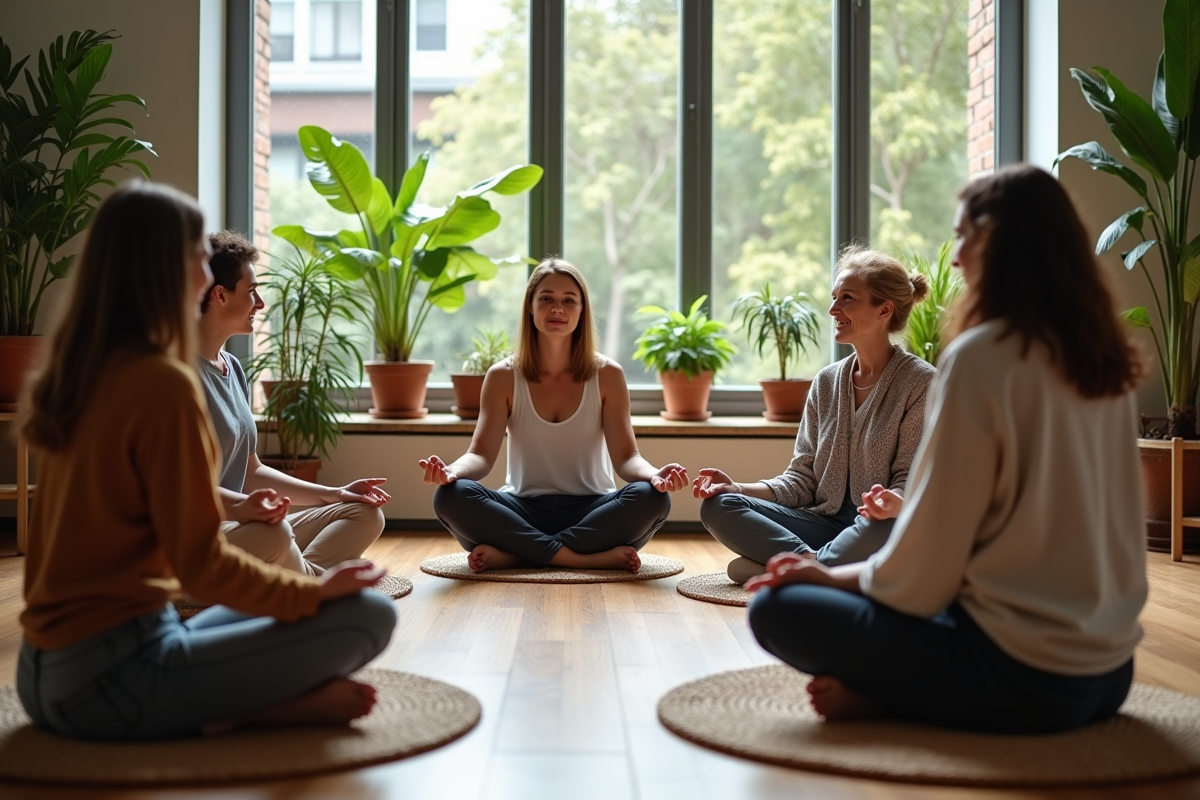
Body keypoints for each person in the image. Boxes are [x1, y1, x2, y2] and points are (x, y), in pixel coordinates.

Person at [745, 164, 1148, 735]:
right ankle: (904, 691)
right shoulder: (1103, 356)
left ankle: (895, 697)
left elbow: (926, 564)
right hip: (1110, 673)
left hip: (1027, 678)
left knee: (776, 608)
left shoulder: (983, 355)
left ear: (999, 241)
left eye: (963, 236)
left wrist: (826, 578)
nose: (955, 258)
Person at [16, 181, 397, 741]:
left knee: (274, 599)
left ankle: (231, 698)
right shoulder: (164, 381)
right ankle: (249, 712)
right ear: (166, 269)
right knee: (371, 615)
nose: (205, 274)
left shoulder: (81, 372)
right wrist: (313, 594)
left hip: (40, 675)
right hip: (110, 684)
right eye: (198, 257)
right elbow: (200, 564)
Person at [419, 258, 688, 573]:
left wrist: (655, 476)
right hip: (521, 508)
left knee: (653, 498)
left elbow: (627, 459)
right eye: (546, 298)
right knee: (451, 496)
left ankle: (519, 555)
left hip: (593, 510)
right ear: (530, 308)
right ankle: (576, 557)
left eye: (568, 301)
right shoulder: (503, 376)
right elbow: (480, 456)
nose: (557, 308)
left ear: (581, 312)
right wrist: (451, 472)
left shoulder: (607, 374)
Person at [693, 247, 935, 584]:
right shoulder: (825, 382)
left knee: (888, 523)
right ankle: (814, 567)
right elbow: (802, 480)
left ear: (884, 309)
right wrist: (737, 487)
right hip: (822, 525)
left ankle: (795, 567)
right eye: (834, 297)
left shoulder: (921, 382)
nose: (833, 309)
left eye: (847, 298)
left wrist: (891, 503)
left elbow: (910, 482)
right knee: (720, 506)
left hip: (877, 527)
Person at [198, 230, 389, 576]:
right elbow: (182, 491)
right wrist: (247, 509)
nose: (260, 305)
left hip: (241, 527)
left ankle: (296, 578)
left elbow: (251, 470)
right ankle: (313, 585)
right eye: (252, 292)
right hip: (200, 539)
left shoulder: (233, 368)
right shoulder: (179, 377)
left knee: (364, 512)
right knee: (275, 533)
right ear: (220, 295)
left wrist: (335, 493)